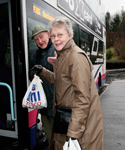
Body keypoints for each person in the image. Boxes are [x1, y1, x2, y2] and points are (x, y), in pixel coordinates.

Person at [32, 16, 104, 150]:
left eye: (60, 34)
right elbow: (60, 81)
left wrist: (73, 133)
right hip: (69, 120)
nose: (56, 39)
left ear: (70, 35)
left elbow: (82, 98)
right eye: (53, 36)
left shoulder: (75, 57)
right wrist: (43, 71)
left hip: (80, 128)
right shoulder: (63, 55)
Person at [29, 24, 55, 148]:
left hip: (58, 104)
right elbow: (31, 75)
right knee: (50, 137)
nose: (39, 41)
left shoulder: (57, 50)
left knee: (62, 137)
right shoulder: (35, 55)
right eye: (36, 39)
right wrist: (32, 74)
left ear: (48, 35)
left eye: (41, 37)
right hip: (44, 104)